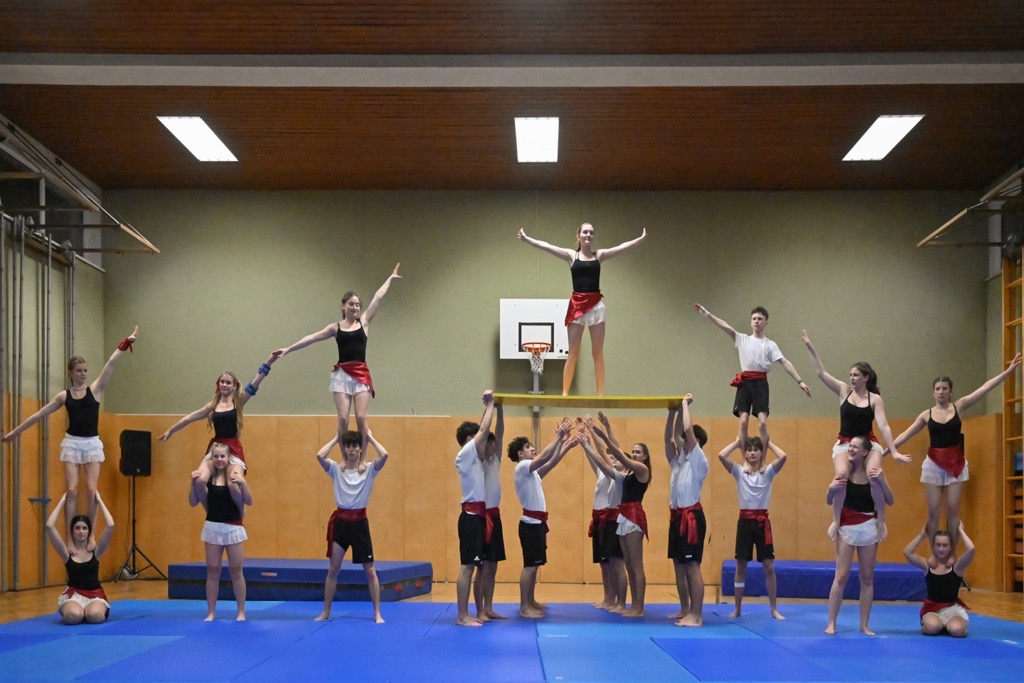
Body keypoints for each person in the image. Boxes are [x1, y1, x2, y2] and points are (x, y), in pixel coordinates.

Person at [3, 326, 138, 532]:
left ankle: (89, 533)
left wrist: (126, 343)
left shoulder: (95, 389)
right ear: (70, 373)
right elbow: (38, 415)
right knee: (72, 490)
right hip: (72, 443)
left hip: (91, 443)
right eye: (79, 371)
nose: (83, 374)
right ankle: (71, 535)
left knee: (91, 490)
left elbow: (111, 364)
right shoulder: (63, 396)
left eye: (85, 370)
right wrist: (15, 433)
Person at [891, 355, 1021, 548]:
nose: (941, 391)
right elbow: (905, 434)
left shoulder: (959, 406)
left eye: (944, 388)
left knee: (953, 513)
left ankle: (950, 556)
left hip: (956, 463)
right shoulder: (926, 414)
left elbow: (985, 388)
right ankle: (936, 555)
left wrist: (1007, 372)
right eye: (938, 389)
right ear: (933, 392)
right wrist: (887, 451)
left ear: (950, 392)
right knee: (933, 513)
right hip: (934, 464)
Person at [275, 264, 402, 443]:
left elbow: (378, 297)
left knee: (361, 418)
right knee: (343, 419)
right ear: (343, 306)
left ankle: (362, 456)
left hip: (361, 374)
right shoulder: (335, 328)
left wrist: (390, 279)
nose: (355, 307)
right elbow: (311, 338)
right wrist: (288, 349)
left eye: (357, 305)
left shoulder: (364, 322)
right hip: (342, 374)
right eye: (351, 304)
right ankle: (344, 455)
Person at [802, 330, 909, 542]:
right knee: (841, 474)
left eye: (856, 375)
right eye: (850, 374)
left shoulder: (874, 399)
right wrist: (811, 348)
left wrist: (894, 451)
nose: (851, 378)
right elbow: (821, 373)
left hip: (868, 444)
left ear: (866, 378)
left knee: (874, 475)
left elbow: (884, 426)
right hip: (845, 443)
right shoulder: (844, 390)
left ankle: (880, 519)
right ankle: (836, 519)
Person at [517, 224, 646, 395]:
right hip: (577, 305)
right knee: (573, 354)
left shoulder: (599, 255)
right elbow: (547, 246)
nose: (588, 235)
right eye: (585, 232)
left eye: (591, 232)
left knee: (598, 354)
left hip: (596, 305)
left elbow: (621, 248)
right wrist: (527, 239)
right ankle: (565, 393)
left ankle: (600, 394)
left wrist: (640, 239)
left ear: (593, 237)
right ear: (578, 236)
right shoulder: (572, 256)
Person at [694, 305, 809, 446]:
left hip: (760, 383)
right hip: (745, 383)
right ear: (750, 322)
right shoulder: (742, 339)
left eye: (760, 319)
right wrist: (706, 313)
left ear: (766, 322)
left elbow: (785, 362)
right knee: (743, 422)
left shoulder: (770, 344)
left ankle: (763, 456)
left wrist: (800, 381)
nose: (756, 321)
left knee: (762, 423)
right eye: (754, 318)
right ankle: (745, 456)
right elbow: (725, 326)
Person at [158, 354, 278, 484]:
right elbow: (189, 418)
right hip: (216, 447)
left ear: (234, 386)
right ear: (218, 384)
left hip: (233, 446)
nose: (224, 385)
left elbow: (256, 381)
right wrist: (171, 431)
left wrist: (270, 361)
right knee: (199, 480)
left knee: (234, 483)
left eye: (228, 382)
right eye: (222, 382)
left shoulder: (239, 402)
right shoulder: (212, 406)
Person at [314, 429, 391, 624]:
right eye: (348, 446)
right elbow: (320, 456)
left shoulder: (369, 470)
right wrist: (335, 438)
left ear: (360, 449)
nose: (351, 449)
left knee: (370, 571)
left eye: (355, 446)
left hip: (359, 524)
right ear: (344, 449)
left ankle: (377, 613)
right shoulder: (336, 469)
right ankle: (326, 611)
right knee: (333, 569)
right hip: (341, 523)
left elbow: (385, 455)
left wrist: (370, 437)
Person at [825, 435, 894, 635]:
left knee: (867, 577)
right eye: (850, 446)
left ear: (865, 452)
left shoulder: (873, 474)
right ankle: (831, 623)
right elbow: (829, 500)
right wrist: (830, 489)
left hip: (869, 525)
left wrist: (882, 480)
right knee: (841, 575)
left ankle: (864, 624)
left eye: (855, 447)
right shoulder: (843, 473)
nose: (850, 449)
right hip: (846, 525)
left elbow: (890, 500)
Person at [508, 418, 576, 618]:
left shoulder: (533, 473)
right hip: (530, 524)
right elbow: (545, 456)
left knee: (535, 565)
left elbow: (551, 462)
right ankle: (524, 606)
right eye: (528, 447)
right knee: (529, 566)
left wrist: (565, 445)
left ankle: (530, 600)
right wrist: (558, 436)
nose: (533, 449)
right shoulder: (522, 467)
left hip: (538, 524)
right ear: (520, 454)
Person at [718, 435, 789, 620]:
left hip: (762, 522)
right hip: (745, 522)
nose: (752, 453)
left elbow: (783, 457)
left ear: (761, 453)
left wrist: (769, 443)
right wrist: (736, 443)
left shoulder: (768, 473)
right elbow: (721, 455)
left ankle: (773, 608)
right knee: (741, 566)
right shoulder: (739, 472)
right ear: (745, 453)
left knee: (769, 566)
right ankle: (737, 608)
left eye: (756, 450)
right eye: (748, 450)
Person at [592, 419, 651, 617]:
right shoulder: (630, 472)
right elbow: (616, 450)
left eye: (638, 452)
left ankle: (639, 607)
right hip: (623, 516)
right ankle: (633, 605)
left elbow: (619, 454)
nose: (634, 454)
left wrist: (603, 436)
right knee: (629, 565)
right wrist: (608, 428)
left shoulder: (642, 470)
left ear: (645, 457)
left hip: (634, 516)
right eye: (632, 451)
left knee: (636, 565)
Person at [189, 442, 253, 621]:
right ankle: (211, 612)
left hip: (233, 526)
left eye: (222, 456)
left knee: (236, 571)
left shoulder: (234, 477)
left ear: (228, 458)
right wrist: (192, 482)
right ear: (211, 458)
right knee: (213, 570)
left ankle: (241, 611)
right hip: (213, 526)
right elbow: (192, 502)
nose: (219, 459)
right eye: (215, 456)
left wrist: (243, 483)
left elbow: (249, 501)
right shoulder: (207, 479)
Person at [665, 397, 710, 626]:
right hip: (677, 517)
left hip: (691, 518)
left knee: (692, 566)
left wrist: (684, 405)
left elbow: (688, 431)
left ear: (695, 442)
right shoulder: (678, 463)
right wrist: (671, 412)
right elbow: (669, 438)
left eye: (685, 439)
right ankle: (685, 608)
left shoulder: (699, 460)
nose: (681, 440)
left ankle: (697, 615)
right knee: (679, 565)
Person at [453, 390, 496, 626]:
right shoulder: (466, 453)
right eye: (477, 437)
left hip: (478, 516)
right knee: (467, 567)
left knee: (474, 566)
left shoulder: (474, 457)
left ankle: (469, 612)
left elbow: (483, 430)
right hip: (470, 516)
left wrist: (487, 408)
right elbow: (484, 430)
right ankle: (462, 615)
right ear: (469, 439)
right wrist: (490, 405)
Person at [579, 413, 627, 613]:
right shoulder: (603, 473)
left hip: (611, 519)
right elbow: (595, 458)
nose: (612, 460)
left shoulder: (620, 475)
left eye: (616, 458)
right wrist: (585, 443)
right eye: (611, 458)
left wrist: (595, 431)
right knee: (604, 563)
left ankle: (619, 600)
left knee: (615, 563)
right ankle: (608, 597)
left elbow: (604, 451)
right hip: (599, 520)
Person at [45, 492, 115, 625]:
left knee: (95, 616)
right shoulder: (66, 553)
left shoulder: (96, 551)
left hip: (94, 594)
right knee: (73, 616)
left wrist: (99, 501)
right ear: (72, 531)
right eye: (77, 528)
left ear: (89, 531)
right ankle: (76, 610)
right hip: (74, 595)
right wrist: (62, 502)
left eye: (84, 528)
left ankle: (88, 610)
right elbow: (49, 526)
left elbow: (110, 526)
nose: (81, 531)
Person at [903, 521, 975, 637]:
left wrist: (960, 531)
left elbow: (971, 549)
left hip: (953, 610)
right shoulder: (927, 566)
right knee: (932, 628)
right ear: (933, 547)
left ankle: (952, 626)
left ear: (951, 547)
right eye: (938, 545)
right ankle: (937, 625)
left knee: (957, 631)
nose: (941, 549)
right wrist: (922, 535)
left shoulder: (957, 566)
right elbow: (907, 552)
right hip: (933, 610)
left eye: (945, 545)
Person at [475, 403, 506, 622]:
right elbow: (482, 431)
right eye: (490, 442)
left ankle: (489, 607)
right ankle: (480, 610)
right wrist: (489, 408)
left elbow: (500, 431)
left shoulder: (495, 462)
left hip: (495, 516)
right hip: (482, 517)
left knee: (493, 566)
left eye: (495, 443)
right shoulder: (478, 461)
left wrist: (501, 411)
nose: (494, 445)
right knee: (482, 567)